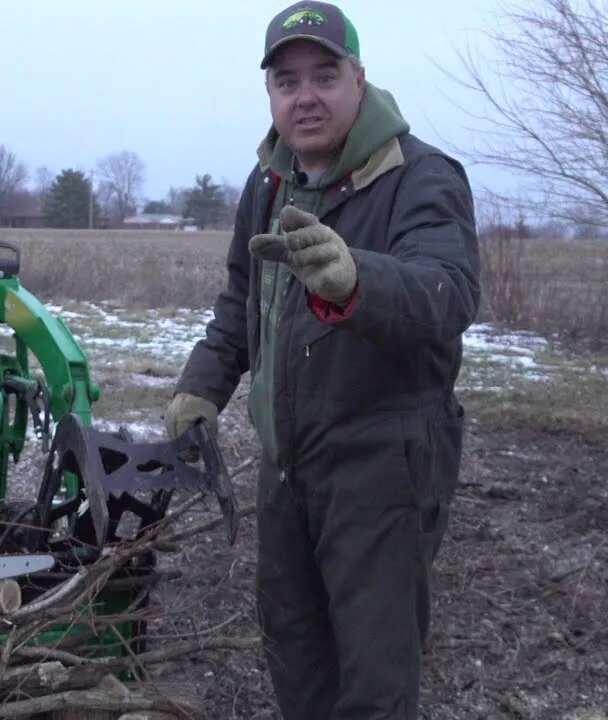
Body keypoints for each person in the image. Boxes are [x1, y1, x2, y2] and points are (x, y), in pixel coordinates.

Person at [164, 3, 480, 718]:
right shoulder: (269, 182)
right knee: (297, 654)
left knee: (373, 678)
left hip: (382, 468)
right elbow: (242, 297)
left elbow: (448, 294)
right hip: (288, 466)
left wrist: (357, 281)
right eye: (286, 81)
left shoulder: (420, 176)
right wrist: (200, 387)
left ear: (359, 80)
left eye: (323, 76)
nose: (304, 96)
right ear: (270, 93)